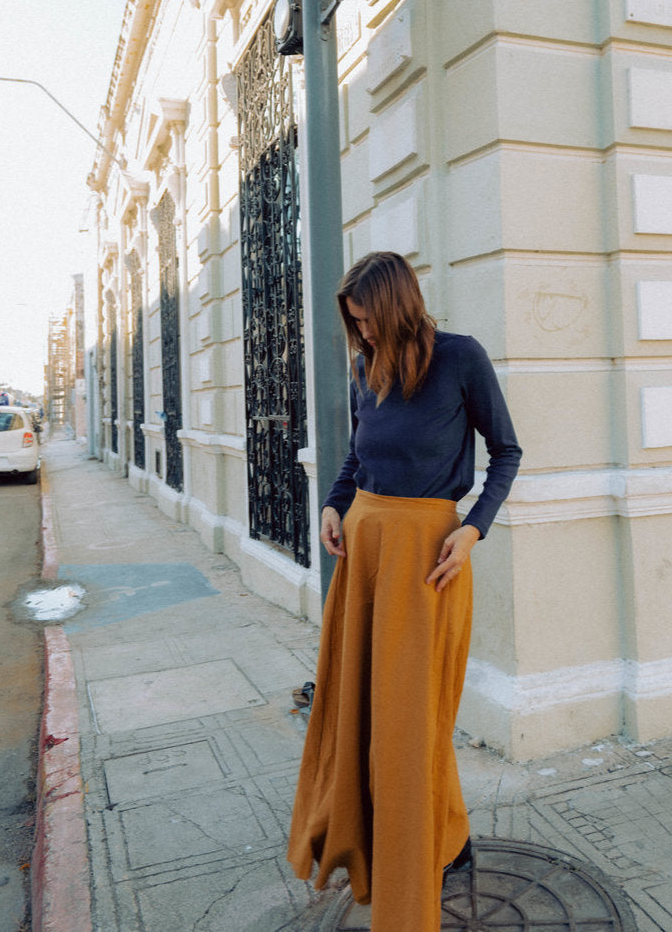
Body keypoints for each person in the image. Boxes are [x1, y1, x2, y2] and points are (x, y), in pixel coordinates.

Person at [287, 251, 522, 932]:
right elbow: (360, 453)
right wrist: (334, 502)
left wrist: (474, 528)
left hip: (426, 558)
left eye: (367, 321)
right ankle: (421, 843)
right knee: (358, 714)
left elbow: (506, 450)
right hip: (364, 551)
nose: (360, 336)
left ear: (394, 307)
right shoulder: (368, 367)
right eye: (354, 326)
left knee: (410, 722)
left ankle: (425, 859)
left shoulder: (459, 359)